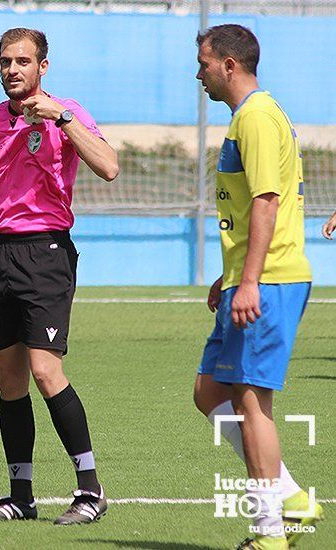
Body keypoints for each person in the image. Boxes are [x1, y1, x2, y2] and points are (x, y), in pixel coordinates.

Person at [0, 27, 118, 525]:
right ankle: (20, 495)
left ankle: (90, 489)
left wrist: (62, 119)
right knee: (9, 380)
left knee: (45, 371)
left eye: (23, 61)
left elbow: (109, 166)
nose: (12, 70)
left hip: (46, 252)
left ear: (43, 67)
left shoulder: (68, 111)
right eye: (5, 61)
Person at [193, 25, 321, 550]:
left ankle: (271, 532)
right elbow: (251, 206)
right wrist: (230, 276)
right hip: (251, 277)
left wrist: (249, 282)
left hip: (269, 280)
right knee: (209, 393)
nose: (196, 73)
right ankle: (291, 497)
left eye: (202, 62)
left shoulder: (259, 117)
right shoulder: (246, 118)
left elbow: (268, 200)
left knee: (251, 401)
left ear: (228, 64)